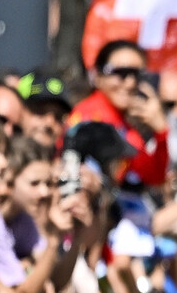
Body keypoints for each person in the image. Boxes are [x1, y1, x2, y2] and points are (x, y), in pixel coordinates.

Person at [67, 40, 170, 189]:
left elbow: (153, 176)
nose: (130, 83)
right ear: (97, 75)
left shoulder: (124, 125)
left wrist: (161, 131)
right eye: (120, 73)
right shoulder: (89, 116)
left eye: (137, 74)